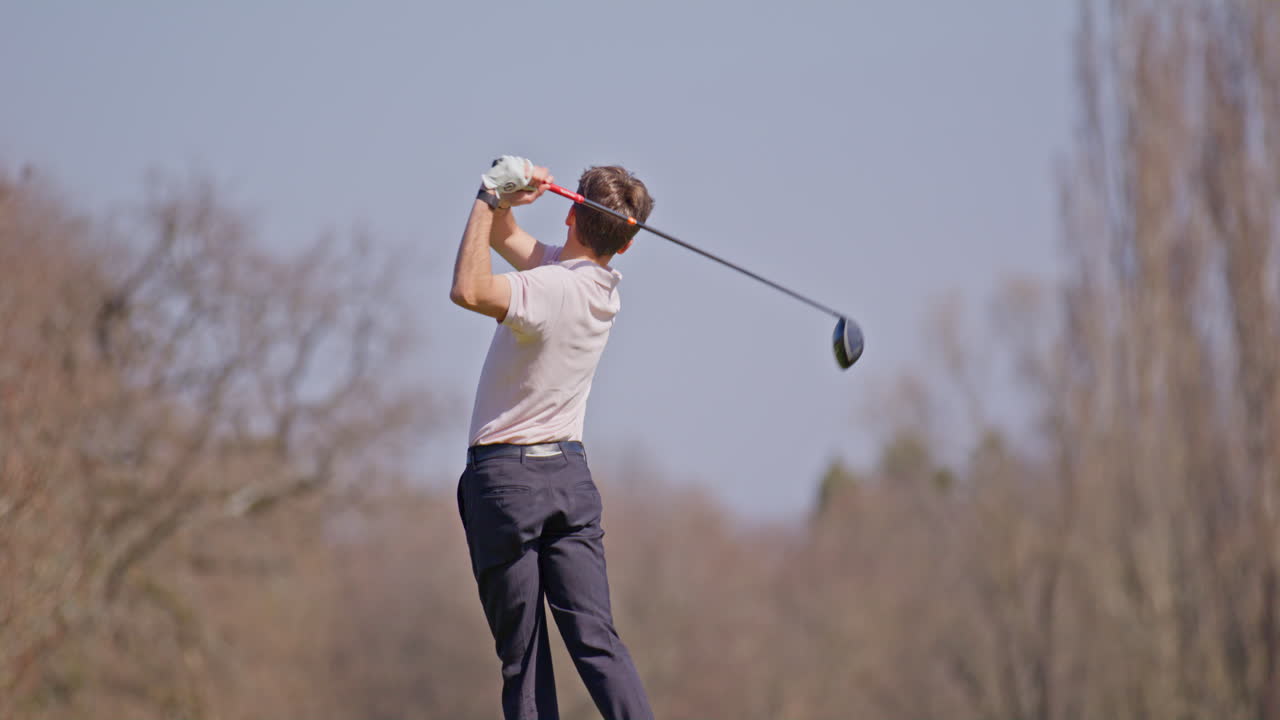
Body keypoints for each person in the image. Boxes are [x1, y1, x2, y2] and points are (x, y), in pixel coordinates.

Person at [449, 155, 656, 720]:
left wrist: (486, 197)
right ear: (628, 245)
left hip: (506, 486)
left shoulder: (548, 289)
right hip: (568, 479)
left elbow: (467, 288)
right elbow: (512, 240)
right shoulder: (599, 288)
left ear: (571, 213)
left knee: (525, 660)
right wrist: (506, 202)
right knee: (599, 644)